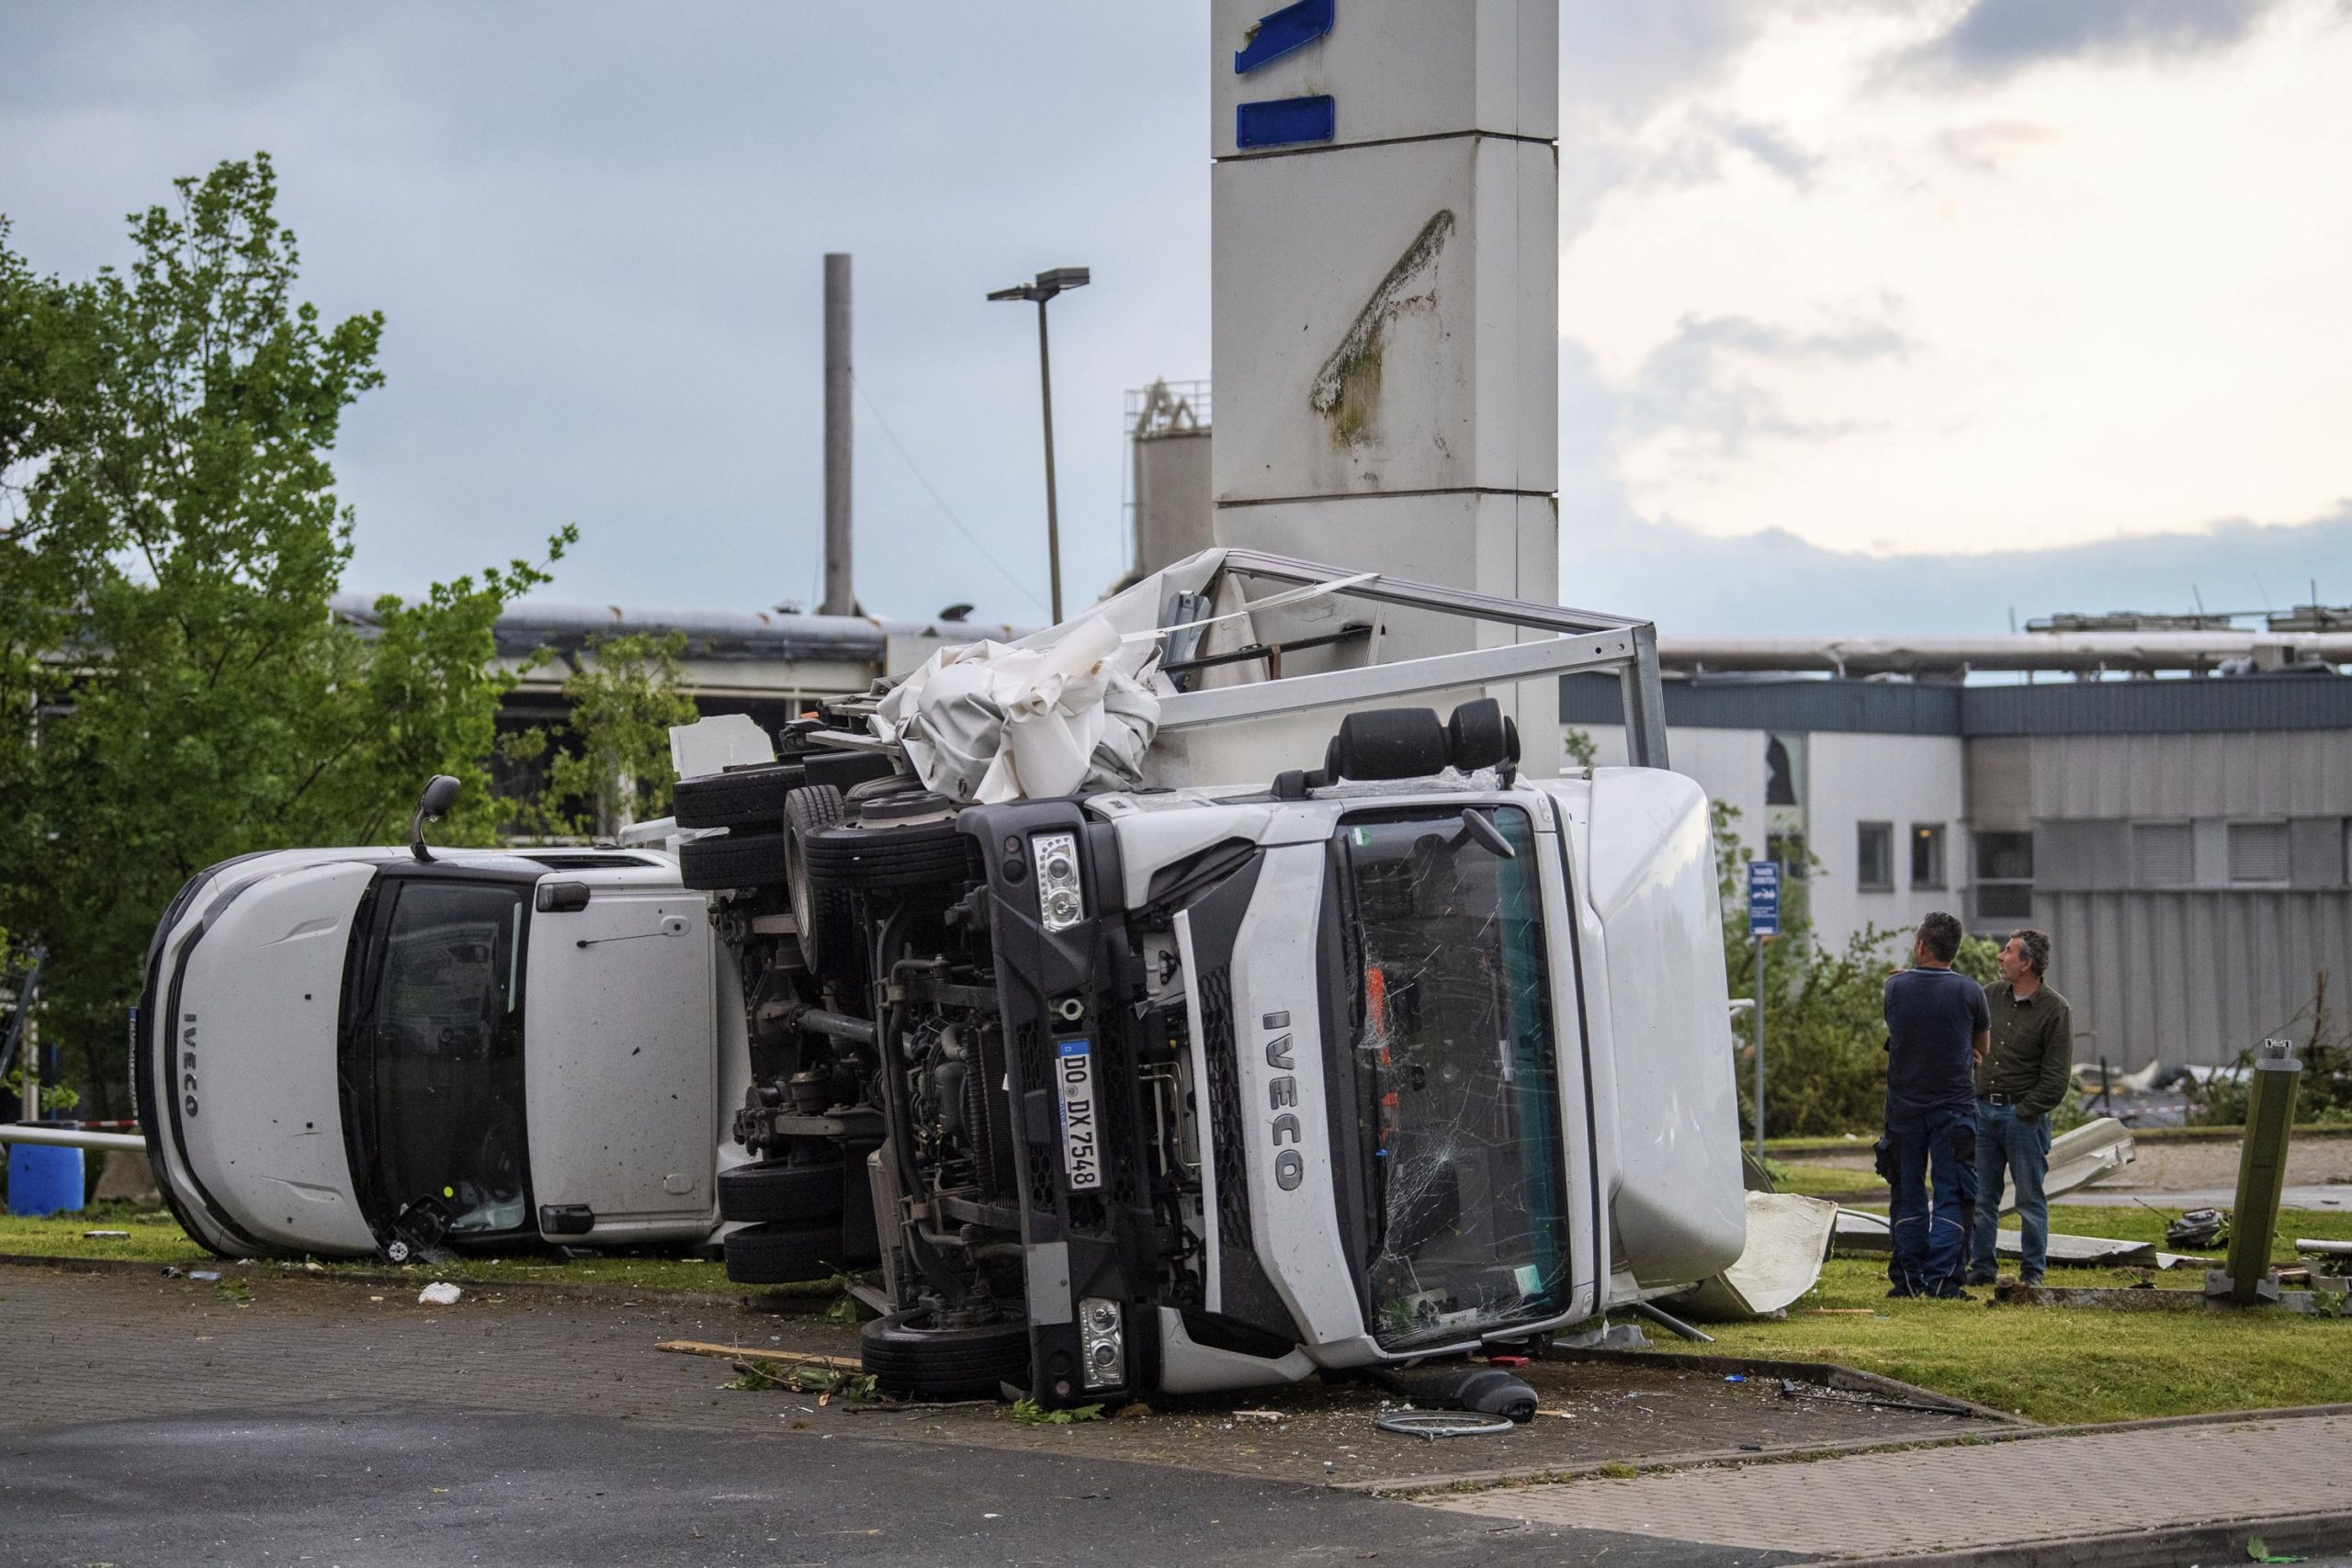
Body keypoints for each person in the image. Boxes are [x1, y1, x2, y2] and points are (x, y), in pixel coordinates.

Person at [1882, 911, 1990, 1298]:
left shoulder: (1895, 989)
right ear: (1954, 951)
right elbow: (1982, 1049)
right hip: (1955, 1108)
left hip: (1903, 1111)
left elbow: (1898, 1031)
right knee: (1953, 1193)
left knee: (1907, 1191)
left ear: (1922, 945)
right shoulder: (1971, 992)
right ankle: (1944, 1281)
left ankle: (1908, 1280)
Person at [1967, 930, 2072, 1287]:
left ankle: (2032, 1272)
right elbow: (1966, 1038)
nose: (2000, 956)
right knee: (1982, 1196)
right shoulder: (1989, 996)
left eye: (2008, 951)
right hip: (1983, 1111)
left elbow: (2057, 1077)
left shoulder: (2055, 1009)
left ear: (2027, 963)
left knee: (2030, 1198)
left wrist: (2025, 1111)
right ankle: (1982, 1267)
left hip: (2023, 1118)